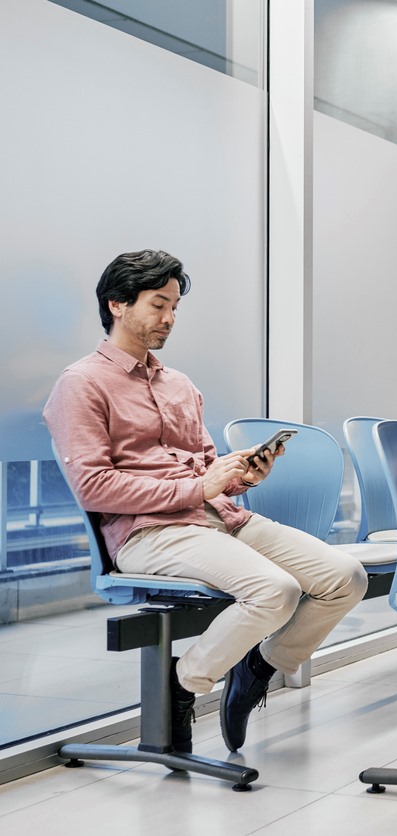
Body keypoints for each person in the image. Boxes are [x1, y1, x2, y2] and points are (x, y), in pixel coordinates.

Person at [43, 249, 368, 753]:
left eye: (174, 306)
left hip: (220, 517)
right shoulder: (80, 384)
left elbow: (206, 466)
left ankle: (259, 667)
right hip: (149, 531)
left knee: (346, 577)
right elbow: (94, 487)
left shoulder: (180, 385)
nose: (170, 318)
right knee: (275, 590)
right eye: (158, 305)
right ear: (116, 305)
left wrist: (241, 475)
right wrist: (199, 488)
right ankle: (185, 684)